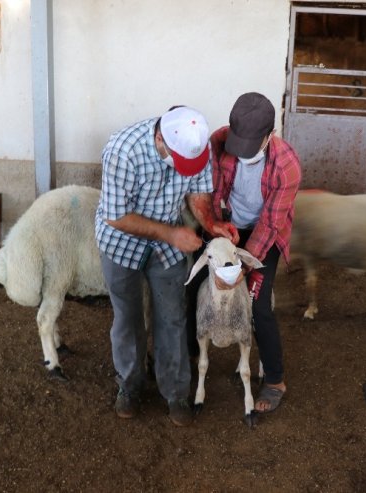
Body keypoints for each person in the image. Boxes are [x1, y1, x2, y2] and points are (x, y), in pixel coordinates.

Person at [95, 106, 237, 427]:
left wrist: (212, 225)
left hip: (168, 242)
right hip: (121, 241)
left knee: (172, 316)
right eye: (180, 163)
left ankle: (174, 391)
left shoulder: (196, 144)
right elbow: (117, 216)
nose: (187, 170)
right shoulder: (122, 150)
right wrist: (172, 234)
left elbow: (199, 194)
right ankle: (129, 385)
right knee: (128, 318)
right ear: (160, 138)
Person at [186, 92, 301, 414]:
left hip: (264, 233)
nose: (242, 152)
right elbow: (210, 191)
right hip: (226, 225)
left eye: (251, 146)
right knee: (193, 285)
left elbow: (271, 223)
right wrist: (216, 226)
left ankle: (275, 379)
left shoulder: (286, 165)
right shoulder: (219, 142)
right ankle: (190, 357)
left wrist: (241, 266)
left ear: (269, 136)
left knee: (257, 302)